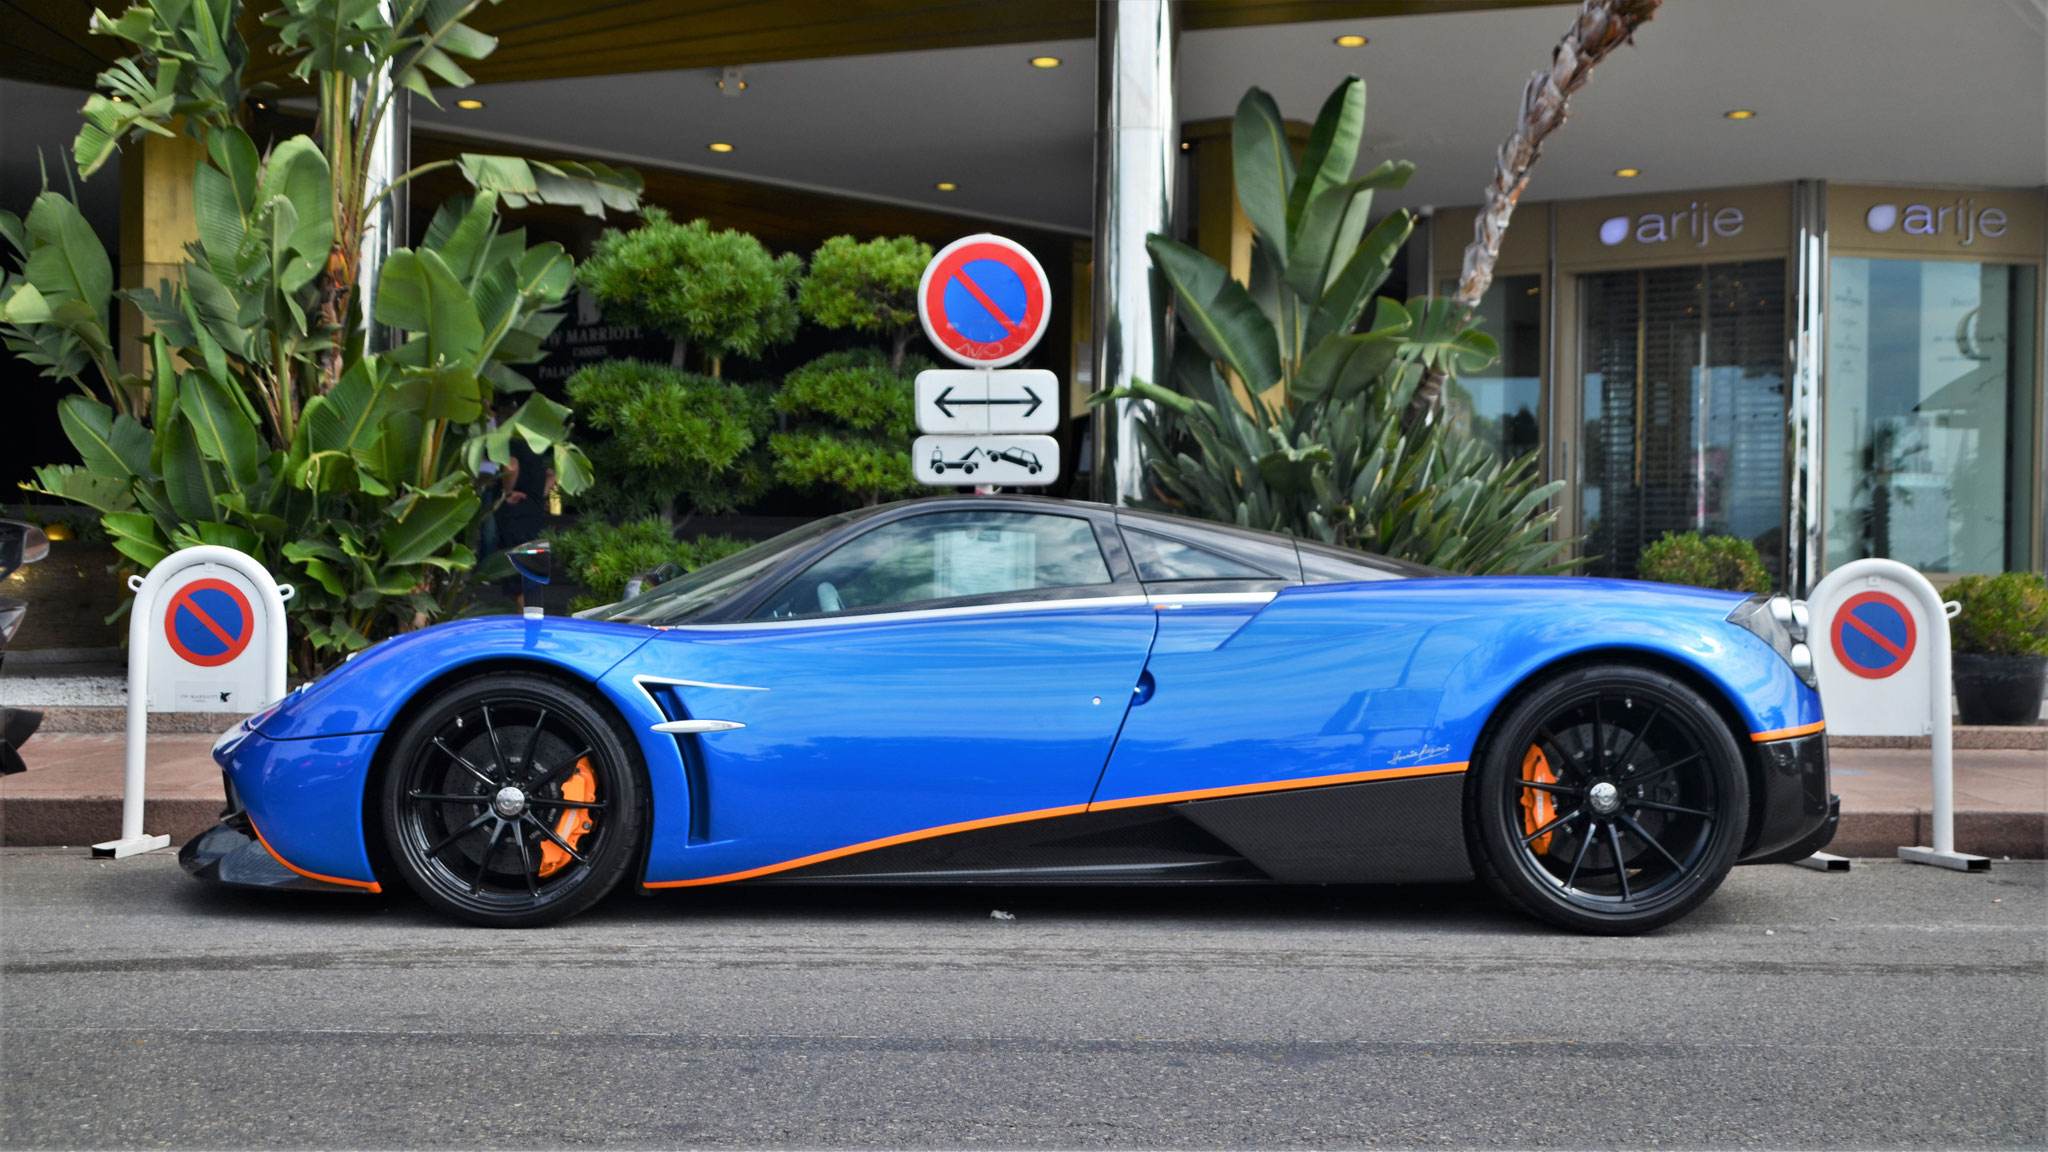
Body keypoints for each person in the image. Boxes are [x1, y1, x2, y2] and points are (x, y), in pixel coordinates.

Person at [493, 405, 556, 609]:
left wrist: (507, 491)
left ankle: (526, 631)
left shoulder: (511, 442)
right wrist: (540, 493)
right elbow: (555, 473)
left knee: (518, 584)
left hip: (514, 516)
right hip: (534, 515)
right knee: (531, 580)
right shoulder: (538, 445)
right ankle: (532, 627)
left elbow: (511, 466)